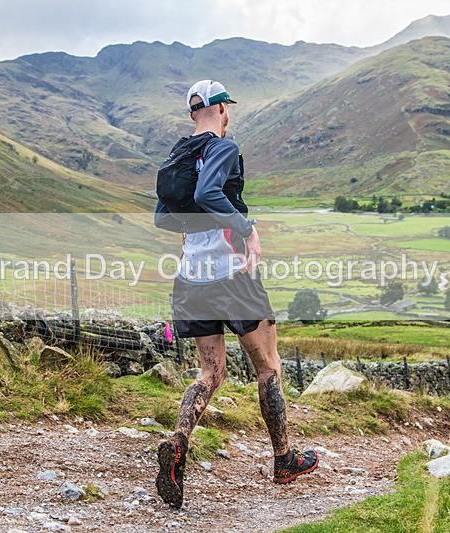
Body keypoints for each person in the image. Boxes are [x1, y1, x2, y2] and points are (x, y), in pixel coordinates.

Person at [153, 80, 318, 509]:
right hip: (233, 275)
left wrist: (197, 228)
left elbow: (162, 219)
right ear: (222, 108)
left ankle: (178, 444)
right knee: (268, 367)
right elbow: (210, 192)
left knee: (210, 374)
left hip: (191, 277)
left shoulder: (176, 156)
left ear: (193, 112)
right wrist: (248, 231)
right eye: (226, 107)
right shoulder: (223, 147)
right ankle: (284, 459)